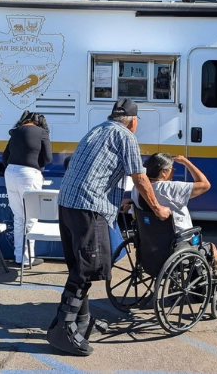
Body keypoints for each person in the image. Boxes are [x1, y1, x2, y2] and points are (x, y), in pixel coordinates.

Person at [49, 99, 169, 357]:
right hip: (89, 207)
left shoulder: (97, 129)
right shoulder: (126, 136)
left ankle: (81, 322)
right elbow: (139, 177)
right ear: (134, 121)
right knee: (87, 269)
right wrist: (158, 209)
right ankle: (63, 329)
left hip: (67, 203)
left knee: (79, 267)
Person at [136, 153, 217, 294]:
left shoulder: (139, 189)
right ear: (163, 172)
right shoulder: (171, 188)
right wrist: (186, 162)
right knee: (210, 248)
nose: (173, 172)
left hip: (150, 247)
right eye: (172, 169)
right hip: (177, 246)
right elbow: (205, 184)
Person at [2, 111, 52, 268]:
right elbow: (48, 158)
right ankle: (27, 258)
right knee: (30, 218)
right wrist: (37, 167)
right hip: (29, 174)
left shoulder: (15, 132)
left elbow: (5, 157)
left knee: (18, 217)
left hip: (10, 172)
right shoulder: (42, 132)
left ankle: (19, 257)